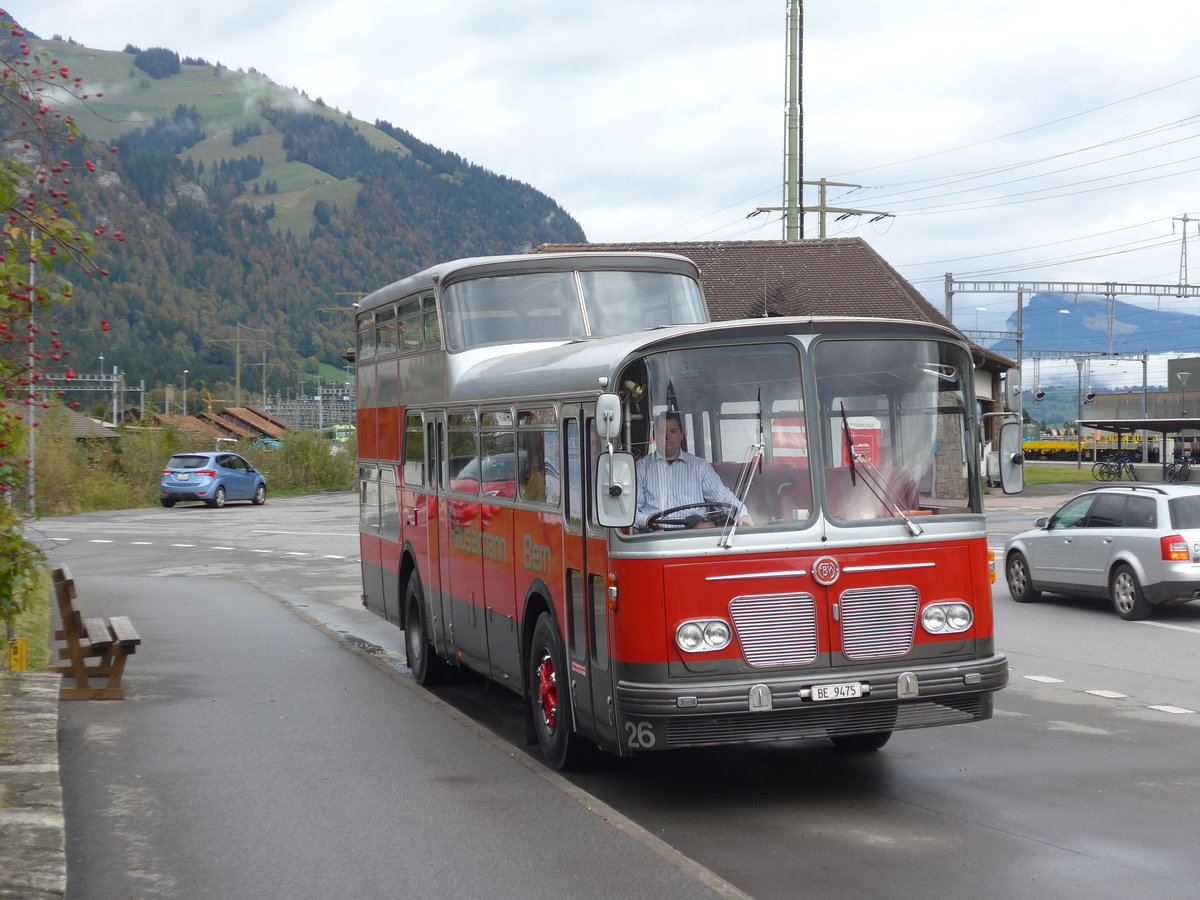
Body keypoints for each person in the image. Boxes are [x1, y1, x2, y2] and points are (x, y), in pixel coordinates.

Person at [634, 412, 753, 531]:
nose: (667, 436)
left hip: (694, 536)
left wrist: (742, 514)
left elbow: (721, 495)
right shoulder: (641, 468)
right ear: (654, 436)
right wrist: (646, 520)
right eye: (661, 431)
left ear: (682, 434)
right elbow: (631, 512)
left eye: (673, 431)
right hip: (654, 538)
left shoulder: (700, 467)